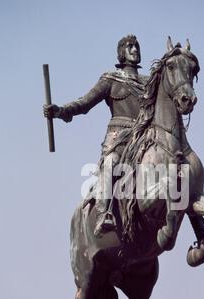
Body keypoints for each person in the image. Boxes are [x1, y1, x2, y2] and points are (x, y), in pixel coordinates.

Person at [44, 35, 147, 237]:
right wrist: (59, 111)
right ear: (121, 52)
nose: (135, 49)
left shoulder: (148, 82)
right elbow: (85, 103)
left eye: (136, 46)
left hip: (145, 135)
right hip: (119, 137)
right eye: (130, 46)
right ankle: (104, 213)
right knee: (110, 163)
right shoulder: (111, 79)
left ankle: (197, 222)